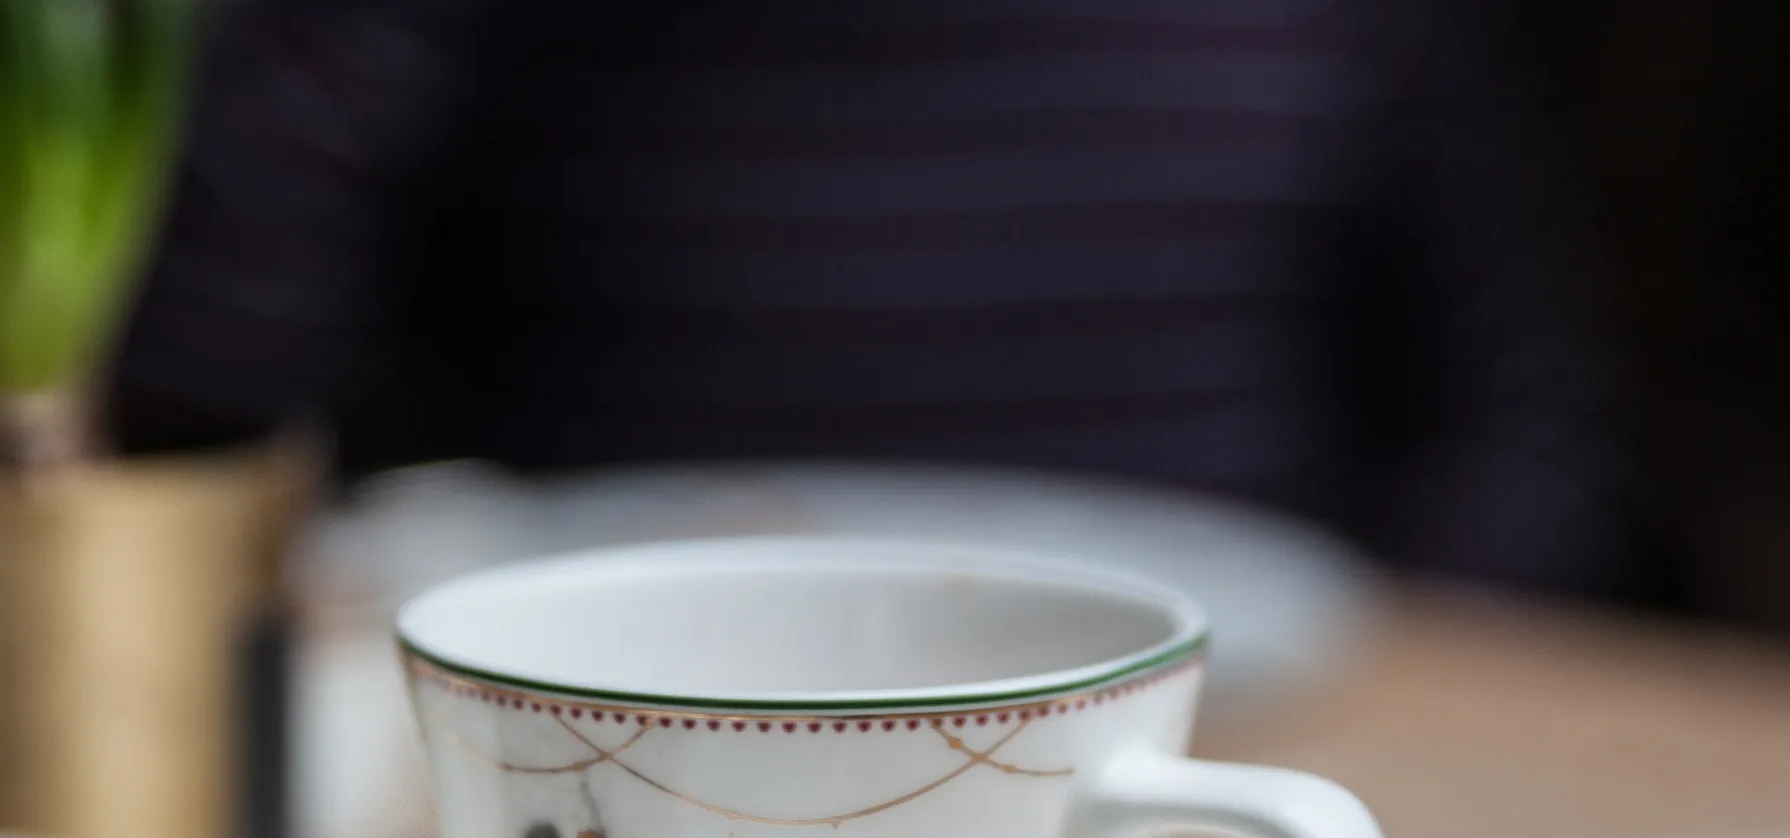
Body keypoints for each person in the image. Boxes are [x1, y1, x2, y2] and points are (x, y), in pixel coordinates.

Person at [109, 0, 1622, 594]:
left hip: (1231, 763)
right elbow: (180, 392)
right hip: (648, 735)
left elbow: (1512, 429)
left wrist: (1379, 753)